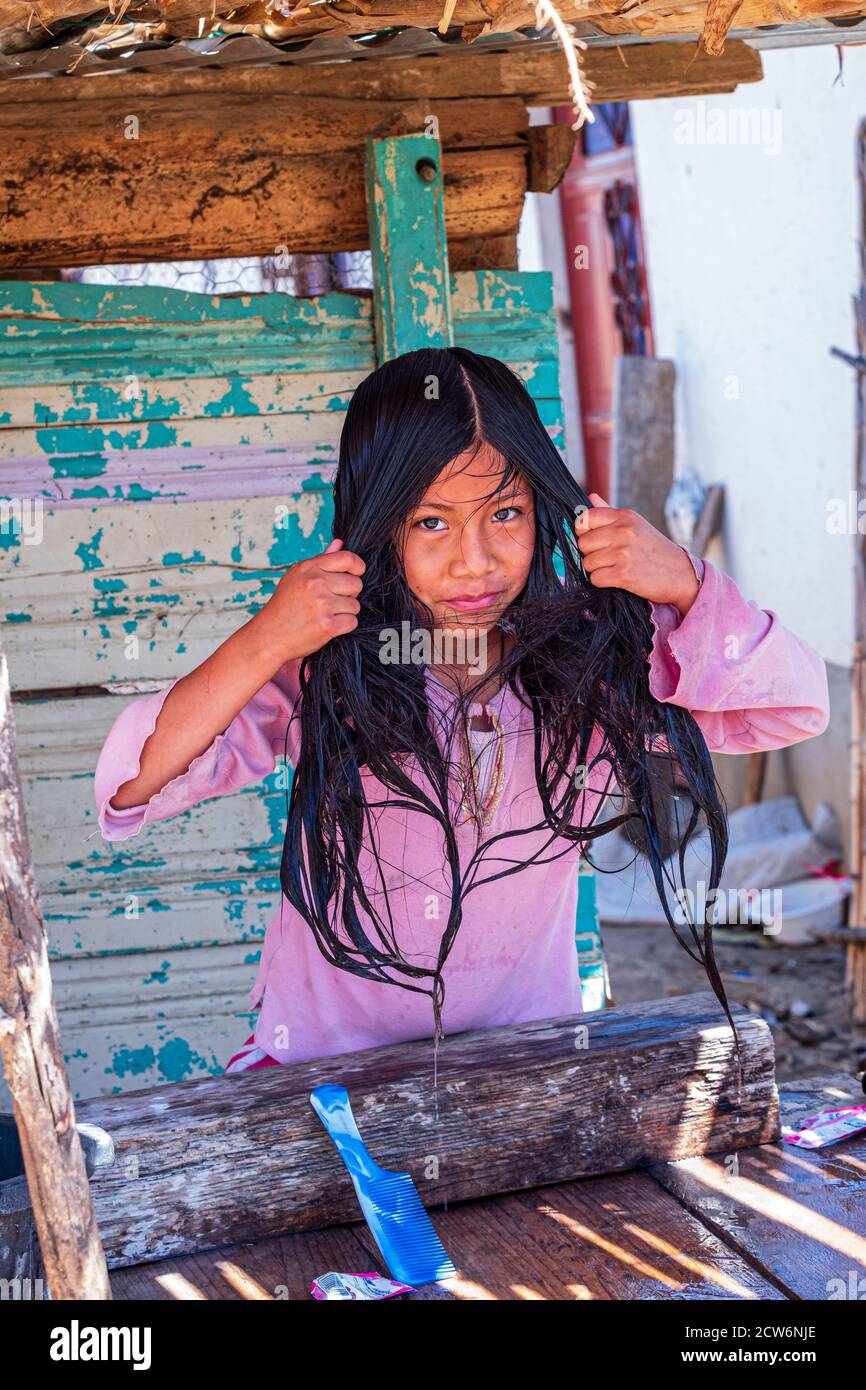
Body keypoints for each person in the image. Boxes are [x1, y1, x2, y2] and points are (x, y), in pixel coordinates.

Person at [94, 346, 830, 1079]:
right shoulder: (325, 672)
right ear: (380, 527)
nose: (475, 562)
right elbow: (133, 788)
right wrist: (265, 638)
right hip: (322, 1078)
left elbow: (795, 707)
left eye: (504, 512)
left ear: (546, 508)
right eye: (431, 523)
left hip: (526, 1072)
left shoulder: (589, 672)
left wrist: (688, 586)